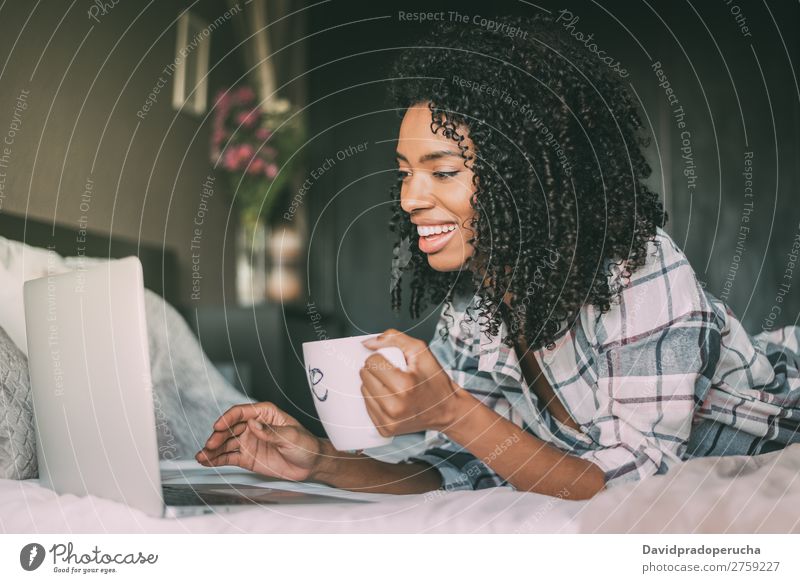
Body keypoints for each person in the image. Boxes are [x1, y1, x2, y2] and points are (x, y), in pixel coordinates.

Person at [196, 14, 800, 500]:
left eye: (444, 171)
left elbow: (635, 484)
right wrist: (321, 461)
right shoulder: (476, 314)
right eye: (405, 172)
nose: (409, 197)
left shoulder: (638, 271)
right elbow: (458, 467)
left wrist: (454, 410)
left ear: (526, 176)